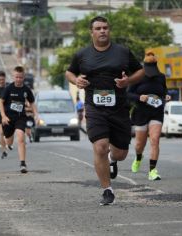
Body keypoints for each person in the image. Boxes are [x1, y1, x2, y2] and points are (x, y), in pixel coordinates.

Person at [65, 16, 144, 205]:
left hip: (119, 108)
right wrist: (76, 80)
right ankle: (107, 190)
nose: (102, 31)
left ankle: (112, 159)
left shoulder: (122, 52)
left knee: (120, 154)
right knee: (100, 146)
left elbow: (140, 71)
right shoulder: (82, 54)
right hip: (94, 107)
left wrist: (128, 81)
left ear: (109, 30)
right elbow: (69, 72)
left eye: (105, 28)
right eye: (98, 28)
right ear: (91, 32)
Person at [128, 50, 171, 181]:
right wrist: (139, 97)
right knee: (140, 144)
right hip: (141, 113)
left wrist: (166, 96)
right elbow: (128, 94)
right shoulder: (137, 77)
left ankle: (152, 171)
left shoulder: (161, 76)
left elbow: (164, 91)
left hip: (156, 112)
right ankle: (138, 157)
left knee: (155, 140)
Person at [0, 66, 37, 173]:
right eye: (17, 77)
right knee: (9, 141)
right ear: (13, 77)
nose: (19, 79)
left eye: (21, 77)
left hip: (20, 118)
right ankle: (9, 145)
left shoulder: (26, 90)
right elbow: (0, 102)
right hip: (8, 119)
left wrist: (36, 115)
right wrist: (3, 116)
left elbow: (32, 102)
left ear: (23, 77)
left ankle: (23, 164)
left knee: (20, 137)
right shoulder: (8, 88)